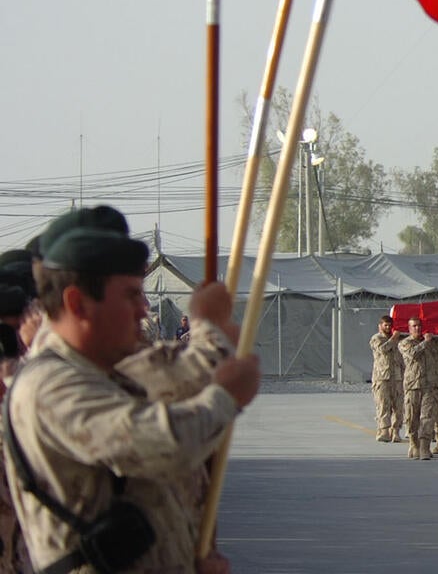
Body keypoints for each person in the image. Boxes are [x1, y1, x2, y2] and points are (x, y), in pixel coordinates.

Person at [4, 223, 260, 574]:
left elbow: (144, 497)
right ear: (77, 302)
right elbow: (160, 446)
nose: (143, 310)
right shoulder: (51, 386)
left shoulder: (98, 374)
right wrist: (225, 397)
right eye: (129, 295)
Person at [399, 316, 438, 460]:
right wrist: (425, 342)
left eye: (419, 326)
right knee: (411, 418)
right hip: (413, 386)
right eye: (414, 326)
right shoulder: (405, 343)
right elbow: (412, 354)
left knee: (427, 417)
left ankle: (424, 446)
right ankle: (414, 443)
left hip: (430, 386)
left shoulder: (432, 343)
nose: (417, 328)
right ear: (409, 328)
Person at [369, 315, 405, 443]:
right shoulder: (376, 338)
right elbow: (382, 349)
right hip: (382, 378)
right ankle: (384, 429)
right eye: (385, 325)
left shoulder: (398, 339)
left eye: (390, 325)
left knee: (398, 406)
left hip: (397, 377)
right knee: (383, 404)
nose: (388, 327)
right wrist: (394, 338)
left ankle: (395, 430)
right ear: (380, 326)